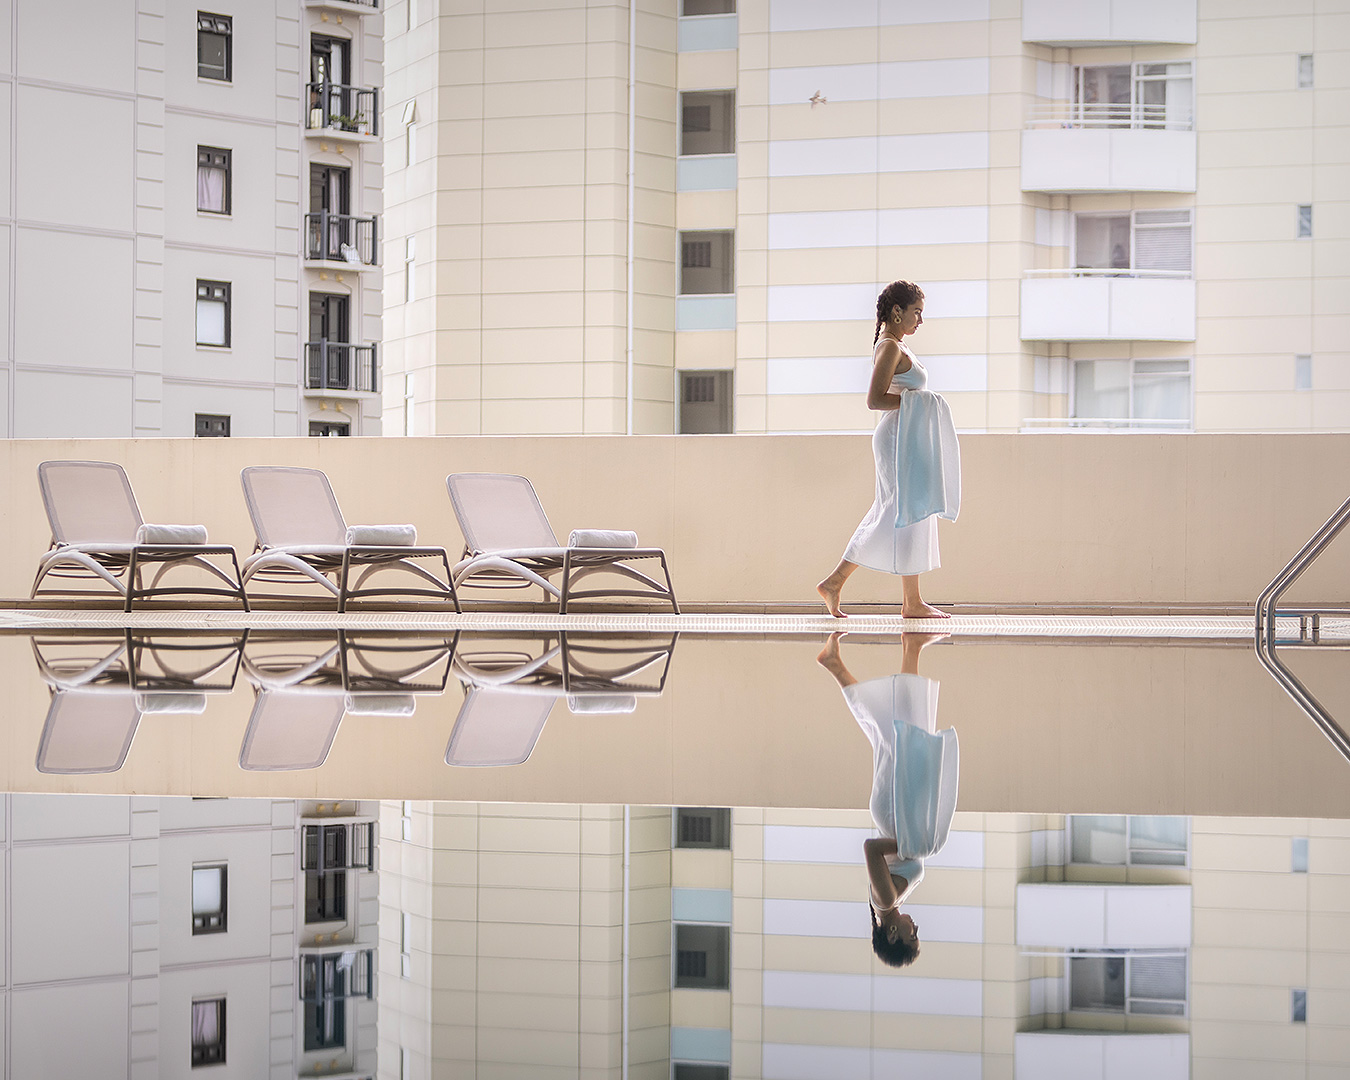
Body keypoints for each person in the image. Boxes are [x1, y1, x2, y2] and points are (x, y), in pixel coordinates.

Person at [816, 280, 960, 619]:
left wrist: (919, 404)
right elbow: (874, 399)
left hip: (907, 436)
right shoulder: (890, 347)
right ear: (897, 312)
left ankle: (912, 602)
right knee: (894, 510)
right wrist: (920, 401)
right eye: (917, 313)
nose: (920, 321)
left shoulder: (898, 345)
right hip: (897, 439)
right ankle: (835, 582)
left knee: (914, 511)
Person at [816, 630, 959, 968]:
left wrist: (910, 845)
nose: (916, 927)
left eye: (913, 934)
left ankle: (909, 646)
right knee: (897, 731)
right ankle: (846, 663)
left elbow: (871, 848)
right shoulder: (890, 901)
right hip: (899, 811)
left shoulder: (885, 899)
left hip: (895, 810)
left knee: (902, 730)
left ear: (893, 934)